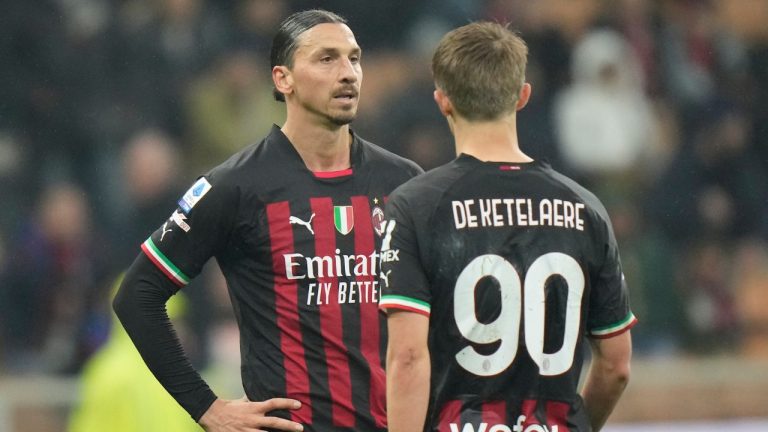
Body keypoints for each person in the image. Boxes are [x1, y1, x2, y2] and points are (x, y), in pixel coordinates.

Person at [113, 9, 422, 432]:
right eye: (326, 59)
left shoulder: (404, 182)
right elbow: (137, 295)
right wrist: (208, 408)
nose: (348, 73)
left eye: (354, 58)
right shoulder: (236, 187)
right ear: (283, 79)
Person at [379, 22, 637, 432]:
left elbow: (408, 358)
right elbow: (617, 365)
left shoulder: (415, 206)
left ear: (442, 101)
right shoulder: (585, 207)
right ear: (523, 96)